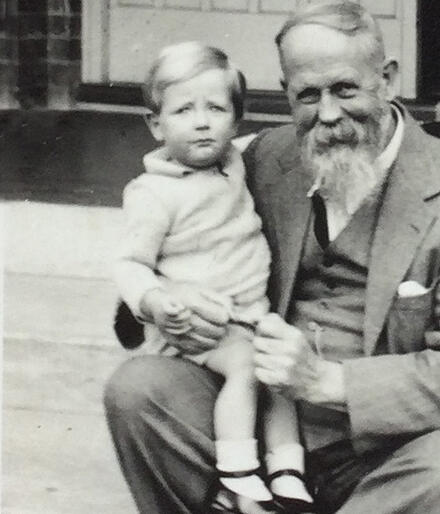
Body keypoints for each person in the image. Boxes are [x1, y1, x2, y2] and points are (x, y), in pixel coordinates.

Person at [105, 3, 440, 513]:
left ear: (388, 79)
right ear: (286, 91)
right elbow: (165, 219)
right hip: (268, 429)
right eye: (307, 95)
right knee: (139, 390)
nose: (327, 113)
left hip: (388, 451)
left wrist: (325, 381)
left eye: (345, 89)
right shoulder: (262, 158)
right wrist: (167, 300)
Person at [112, 42, 312, 512]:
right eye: (183, 110)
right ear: (155, 124)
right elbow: (128, 263)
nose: (202, 122)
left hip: (247, 316)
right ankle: (238, 474)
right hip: (195, 323)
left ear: (236, 120)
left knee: (279, 371)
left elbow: (262, 143)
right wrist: (155, 301)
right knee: (248, 367)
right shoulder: (153, 193)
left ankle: (287, 470)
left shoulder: (234, 161)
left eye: (216, 108)